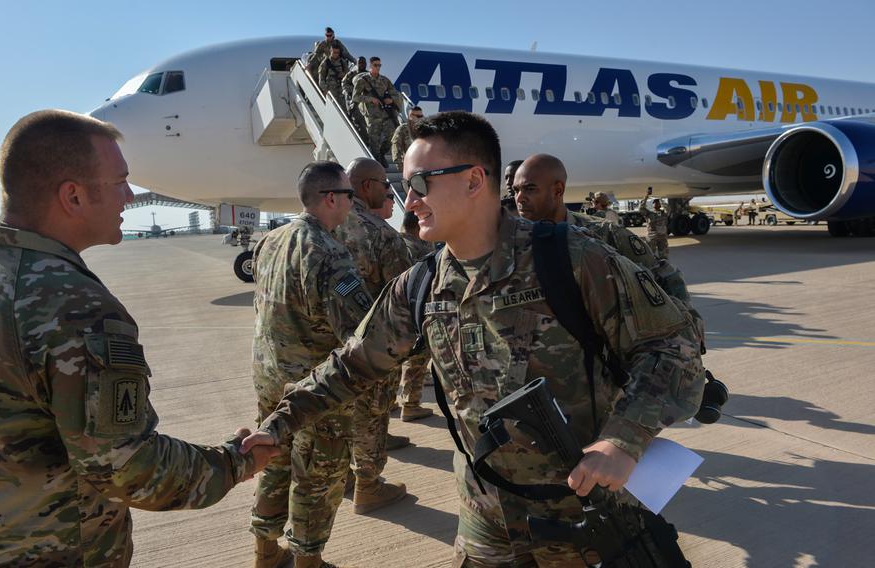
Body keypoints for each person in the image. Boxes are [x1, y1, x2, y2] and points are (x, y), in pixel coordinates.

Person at [244, 112, 704, 567]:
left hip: (581, 521)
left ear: (473, 180)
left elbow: (673, 345)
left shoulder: (571, 258)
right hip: (486, 523)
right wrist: (278, 426)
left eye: (421, 183)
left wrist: (623, 440)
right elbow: (351, 366)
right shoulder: (418, 286)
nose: (409, 200)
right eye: (404, 185)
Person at [0, 109, 278, 567]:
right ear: (72, 196)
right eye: (119, 182)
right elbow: (127, 469)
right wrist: (237, 461)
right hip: (56, 550)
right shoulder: (72, 305)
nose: (129, 197)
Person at [250, 161, 372, 568]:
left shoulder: (271, 239)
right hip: (312, 389)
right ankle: (308, 562)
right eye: (350, 195)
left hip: (269, 378)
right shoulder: (330, 253)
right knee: (319, 474)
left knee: (273, 458)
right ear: (331, 198)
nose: (352, 203)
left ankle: (265, 554)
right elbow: (358, 332)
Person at [334, 158, 413, 514]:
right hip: (369, 345)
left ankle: (344, 479)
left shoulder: (323, 226)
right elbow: (402, 294)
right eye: (383, 183)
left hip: (327, 347)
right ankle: (368, 484)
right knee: (371, 411)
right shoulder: (380, 233)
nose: (387, 189)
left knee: (337, 411)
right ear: (367, 187)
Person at [512, 153, 695, 307]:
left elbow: (663, 275)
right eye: (515, 190)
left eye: (530, 189)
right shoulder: (510, 244)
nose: (519, 198)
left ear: (558, 190)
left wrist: (687, 323)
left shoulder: (604, 233)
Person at [397, 211, 436, 422]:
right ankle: (411, 405)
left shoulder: (394, 242)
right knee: (417, 360)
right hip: (417, 313)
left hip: (396, 313)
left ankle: (397, 402)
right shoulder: (420, 247)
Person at [352, 57, 402, 165]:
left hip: (385, 113)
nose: (378, 67)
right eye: (375, 65)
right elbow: (355, 97)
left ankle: (381, 153)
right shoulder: (363, 80)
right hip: (372, 115)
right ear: (370, 66)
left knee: (392, 135)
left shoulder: (384, 80)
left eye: (379, 65)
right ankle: (377, 162)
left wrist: (391, 99)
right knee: (374, 140)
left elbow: (395, 92)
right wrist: (370, 99)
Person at [342, 56, 369, 141]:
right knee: (358, 123)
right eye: (359, 63)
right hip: (355, 102)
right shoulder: (352, 74)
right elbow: (344, 84)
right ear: (357, 64)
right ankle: (363, 141)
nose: (361, 64)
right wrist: (356, 90)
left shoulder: (368, 75)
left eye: (363, 63)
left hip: (366, 103)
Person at [391, 106, 424, 170]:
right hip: (409, 163)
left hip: (423, 163)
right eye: (418, 116)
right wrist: (398, 163)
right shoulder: (403, 129)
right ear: (410, 116)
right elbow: (396, 145)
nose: (421, 118)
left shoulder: (424, 129)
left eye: (421, 116)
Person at [639, 194, 670, 259]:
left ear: (660, 204)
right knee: (650, 255)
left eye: (658, 202)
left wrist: (661, 200)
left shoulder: (664, 214)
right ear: (652, 205)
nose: (656, 203)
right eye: (654, 202)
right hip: (652, 237)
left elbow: (668, 208)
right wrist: (646, 197)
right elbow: (641, 208)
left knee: (664, 256)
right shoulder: (649, 214)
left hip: (663, 237)